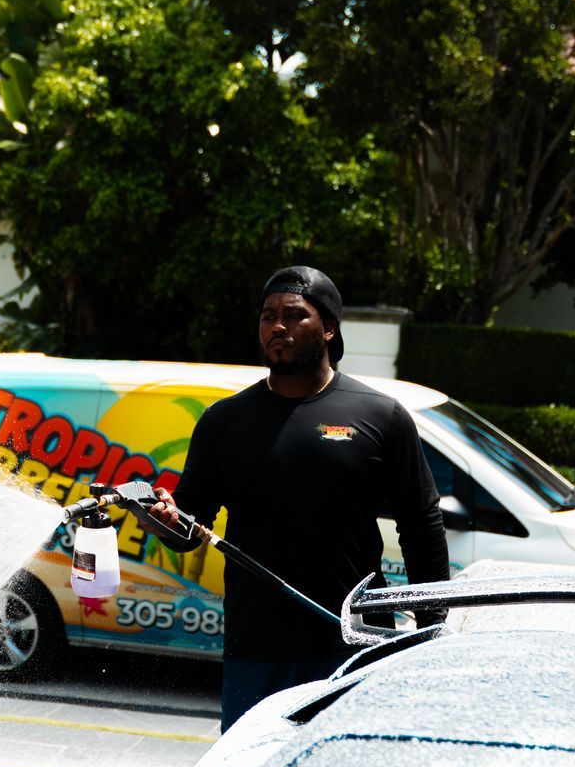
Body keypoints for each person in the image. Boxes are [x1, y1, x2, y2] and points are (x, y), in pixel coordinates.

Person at [165, 265, 450, 731]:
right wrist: (162, 519)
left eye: (294, 315)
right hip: (254, 650)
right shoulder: (225, 422)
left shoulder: (381, 416)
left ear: (329, 328)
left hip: (354, 645)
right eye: (268, 315)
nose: (278, 326)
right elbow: (186, 529)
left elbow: (421, 526)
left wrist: (429, 628)